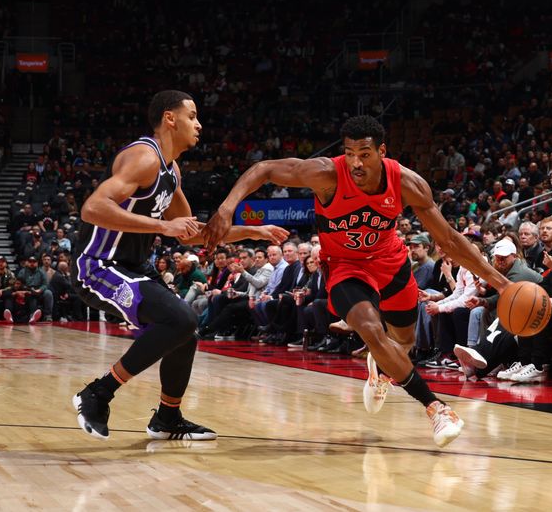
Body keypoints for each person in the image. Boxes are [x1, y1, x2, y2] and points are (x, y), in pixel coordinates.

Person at [204, 115, 511, 447]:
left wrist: (502, 284)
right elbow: (263, 169)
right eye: (349, 153)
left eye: (364, 154)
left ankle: (379, 368)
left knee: (403, 344)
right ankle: (436, 407)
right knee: (370, 329)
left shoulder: (407, 184)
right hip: (347, 267)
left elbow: (449, 240)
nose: (355, 162)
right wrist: (226, 208)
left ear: (381, 151)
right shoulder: (325, 174)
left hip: (391, 264)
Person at [71, 90, 286, 441]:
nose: (199, 124)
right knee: (181, 318)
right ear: (170, 118)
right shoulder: (144, 157)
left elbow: (190, 233)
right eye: (193, 116)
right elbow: (92, 208)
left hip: (131, 266)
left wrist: (252, 232)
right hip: (98, 265)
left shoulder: (171, 171)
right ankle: (98, 392)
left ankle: (167, 418)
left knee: (185, 333)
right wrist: (160, 226)